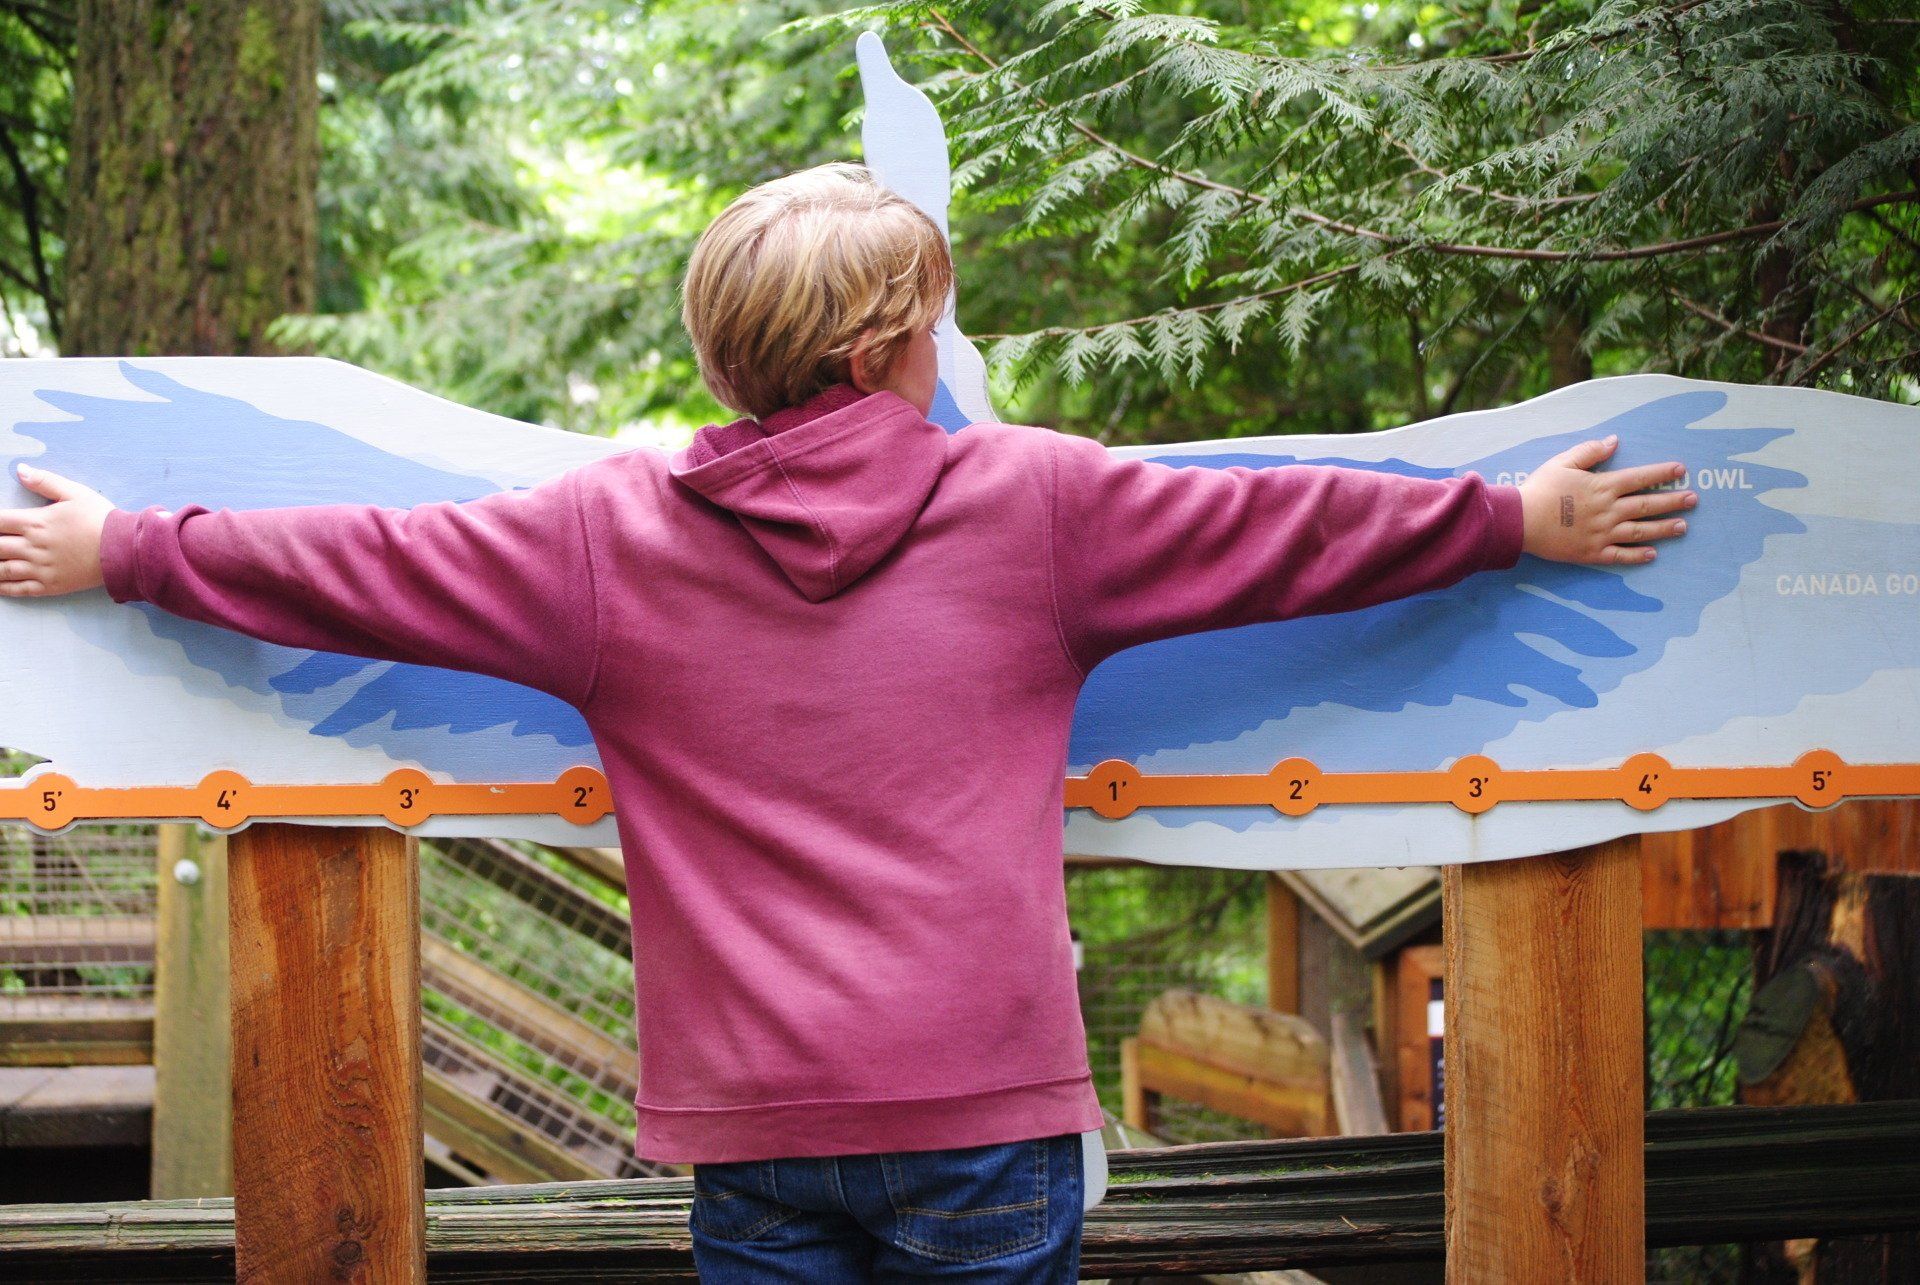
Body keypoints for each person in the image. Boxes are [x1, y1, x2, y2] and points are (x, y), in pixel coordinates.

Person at [0, 162, 1693, 1282]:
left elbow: (354, 571)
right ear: (892, 348)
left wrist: (126, 549)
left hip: (759, 1132)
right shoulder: (1034, 504)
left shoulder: (608, 531)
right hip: (986, 1118)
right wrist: (1510, 519)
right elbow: (1288, 527)